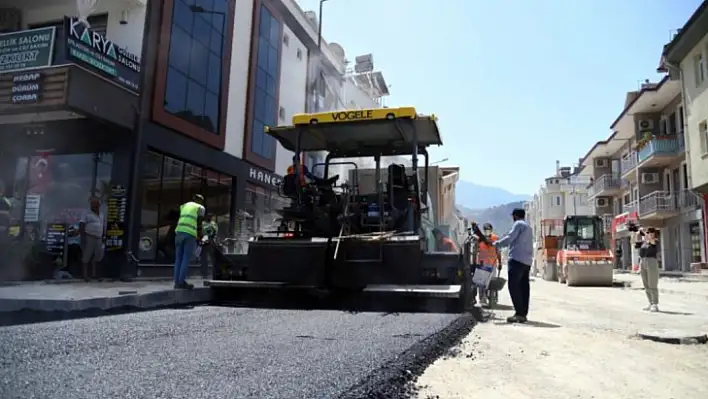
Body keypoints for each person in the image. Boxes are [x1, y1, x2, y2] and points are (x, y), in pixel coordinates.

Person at [493, 208, 534, 323]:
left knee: (514, 286)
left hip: (516, 260)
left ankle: (519, 313)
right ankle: (523, 313)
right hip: (527, 261)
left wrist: (497, 244)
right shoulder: (528, 227)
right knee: (524, 287)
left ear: (515, 216)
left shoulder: (518, 224)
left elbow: (510, 238)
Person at [174, 194, 206, 289]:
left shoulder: (183, 206)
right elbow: (200, 221)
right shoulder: (200, 207)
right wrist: (201, 235)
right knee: (185, 258)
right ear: (200, 201)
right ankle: (181, 282)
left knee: (178, 259)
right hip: (190, 233)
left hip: (179, 232)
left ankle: (176, 283)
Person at [475, 223, 502, 306]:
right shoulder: (479, 239)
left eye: (489, 229)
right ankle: (482, 298)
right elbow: (476, 250)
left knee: (491, 283)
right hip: (482, 264)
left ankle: (492, 297)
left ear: (491, 230)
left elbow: (498, 251)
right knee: (481, 283)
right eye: (486, 230)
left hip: (492, 263)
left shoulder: (495, 238)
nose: (487, 231)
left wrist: (500, 262)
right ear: (483, 230)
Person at [79, 197, 105, 281]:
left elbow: (102, 225)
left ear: (99, 205)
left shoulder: (101, 214)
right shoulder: (86, 213)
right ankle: (85, 275)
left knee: (97, 256)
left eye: (95, 204)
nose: (93, 205)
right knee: (86, 256)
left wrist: (103, 236)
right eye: (92, 204)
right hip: (89, 236)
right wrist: (83, 236)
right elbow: (82, 224)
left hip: (99, 238)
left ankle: (95, 274)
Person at [636, 227, 660, 312]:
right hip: (643, 262)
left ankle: (655, 304)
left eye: (651, 232)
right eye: (648, 232)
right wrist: (638, 234)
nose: (649, 233)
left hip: (651, 262)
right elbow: (636, 244)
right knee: (646, 284)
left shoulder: (655, 241)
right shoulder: (644, 243)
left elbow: (651, 241)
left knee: (652, 283)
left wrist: (645, 233)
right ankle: (650, 302)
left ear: (654, 233)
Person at [200, 214, 218, 279]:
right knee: (204, 257)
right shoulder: (203, 223)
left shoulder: (213, 223)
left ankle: (214, 271)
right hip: (205, 239)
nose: (209, 217)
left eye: (210, 216)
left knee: (212, 257)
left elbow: (215, 232)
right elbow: (201, 232)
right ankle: (204, 273)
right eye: (208, 216)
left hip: (210, 240)